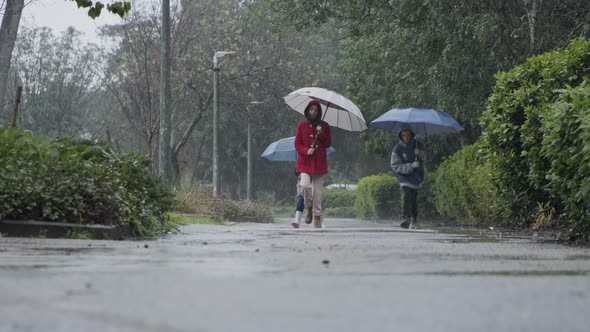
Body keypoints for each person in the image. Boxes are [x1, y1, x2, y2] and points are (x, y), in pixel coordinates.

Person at [294, 100, 331, 228]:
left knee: (317, 191)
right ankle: (308, 207)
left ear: (319, 112)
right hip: (305, 162)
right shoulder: (301, 126)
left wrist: (320, 134)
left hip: (319, 162)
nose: (313, 112)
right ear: (308, 110)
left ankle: (316, 215)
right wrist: (306, 150)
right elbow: (297, 144)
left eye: (316, 110)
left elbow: (328, 143)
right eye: (311, 109)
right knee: (304, 186)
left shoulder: (324, 125)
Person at [390, 124, 425, 229]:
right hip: (404, 177)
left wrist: (419, 154)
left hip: (416, 177)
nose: (406, 137)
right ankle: (405, 218)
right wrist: (410, 166)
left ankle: (414, 219)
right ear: (401, 136)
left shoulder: (418, 145)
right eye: (404, 135)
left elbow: (424, 158)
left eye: (408, 135)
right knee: (406, 196)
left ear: (411, 135)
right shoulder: (397, 149)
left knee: (414, 199)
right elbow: (395, 165)